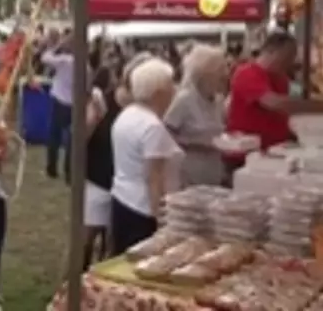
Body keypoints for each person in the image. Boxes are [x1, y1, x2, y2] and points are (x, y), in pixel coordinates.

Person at [110, 58, 183, 253]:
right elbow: (153, 178)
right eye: (170, 87)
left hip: (122, 198)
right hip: (143, 210)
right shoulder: (152, 127)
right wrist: (161, 221)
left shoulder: (127, 114)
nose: (174, 92)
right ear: (159, 92)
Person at [226, 32, 323, 175]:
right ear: (271, 51)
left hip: (274, 155)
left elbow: (282, 113)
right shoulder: (247, 73)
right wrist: (319, 106)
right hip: (245, 157)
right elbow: (275, 103)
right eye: (287, 56)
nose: (290, 62)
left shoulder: (281, 79)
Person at [164, 44, 229, 187]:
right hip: (190, 174)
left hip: (214, 172)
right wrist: (194, 143)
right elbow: (165, 134)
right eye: (221, 70)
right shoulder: (184, 99)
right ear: (206, 73)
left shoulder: (218, 100)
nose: (226, 74)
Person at [82, 67, 119, 269]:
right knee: (85, 239)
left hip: (119, 184)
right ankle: (69, 287)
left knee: (111, 243)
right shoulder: (102, 102)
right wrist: (90, 122)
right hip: (98, 179)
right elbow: (81, 138)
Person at [41, 32, 75, 181]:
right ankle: (69, 173)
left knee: (54, 136)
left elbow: (45, 58)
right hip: (74, 103)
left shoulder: (64, 61)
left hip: (60, 101)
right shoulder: (81, 63)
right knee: (71, 140)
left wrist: (57, 46)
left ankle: (52, 169)